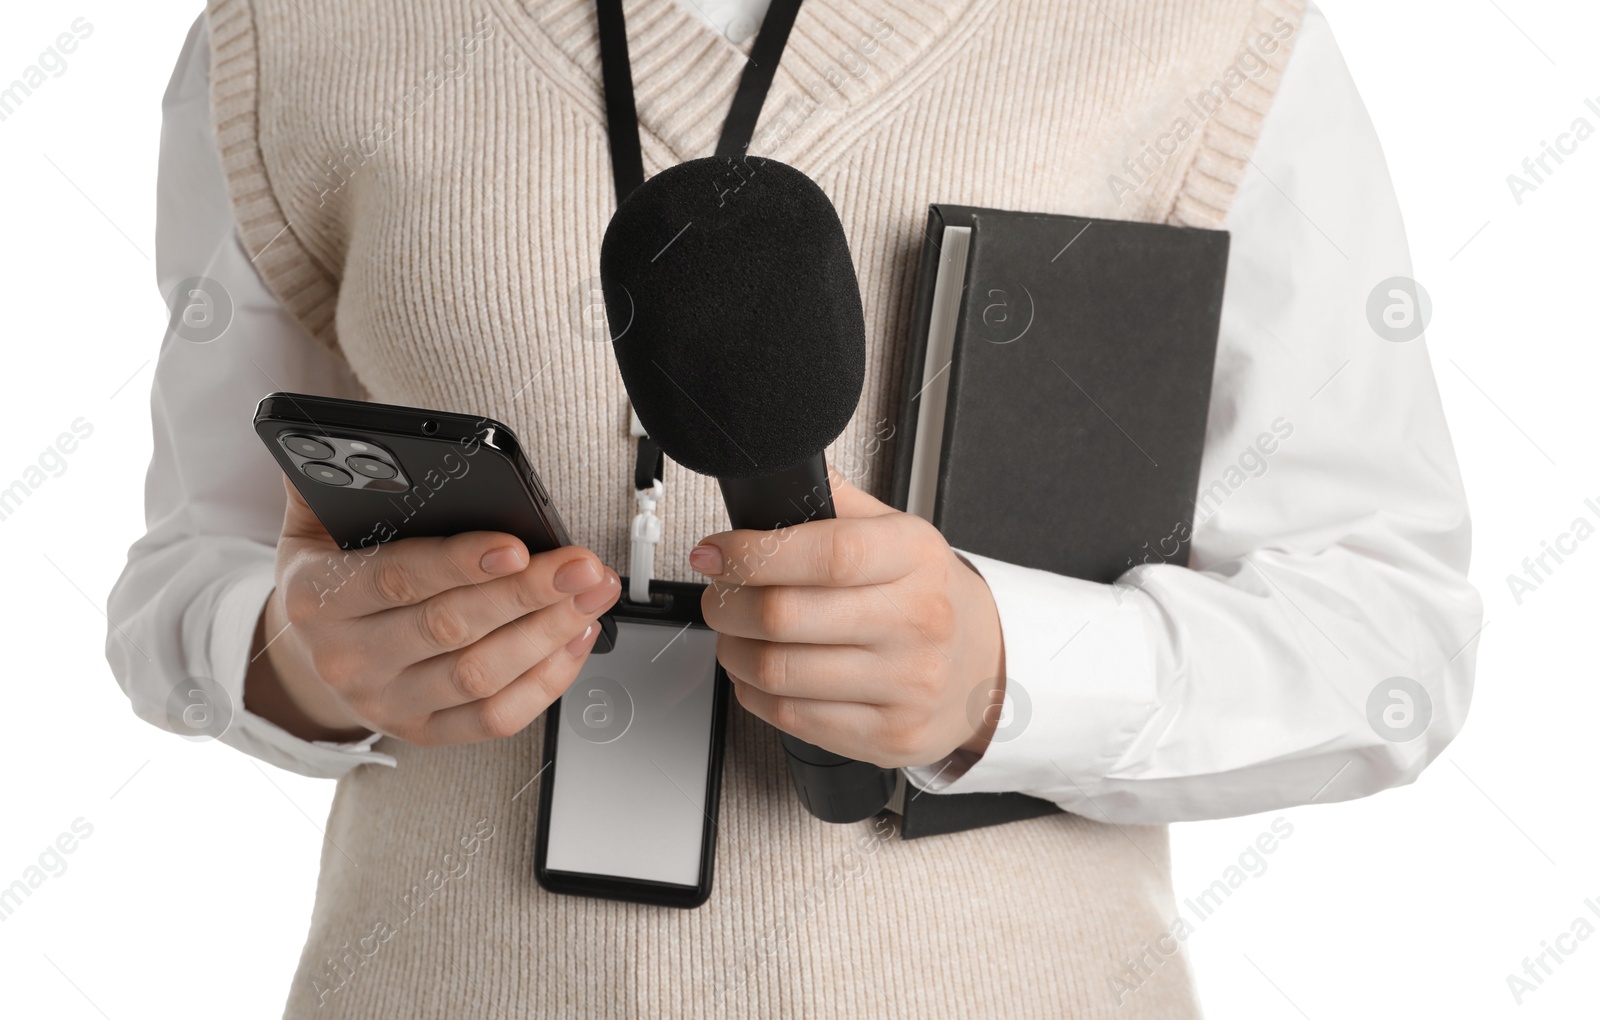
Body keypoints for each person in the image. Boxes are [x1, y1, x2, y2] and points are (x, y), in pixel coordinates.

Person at [107, 0, 1482, 1015]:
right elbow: (190, 569)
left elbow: (1389, 640)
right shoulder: (291, 35)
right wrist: (295, 657)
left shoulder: (1206, 33)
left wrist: (1003, 671)